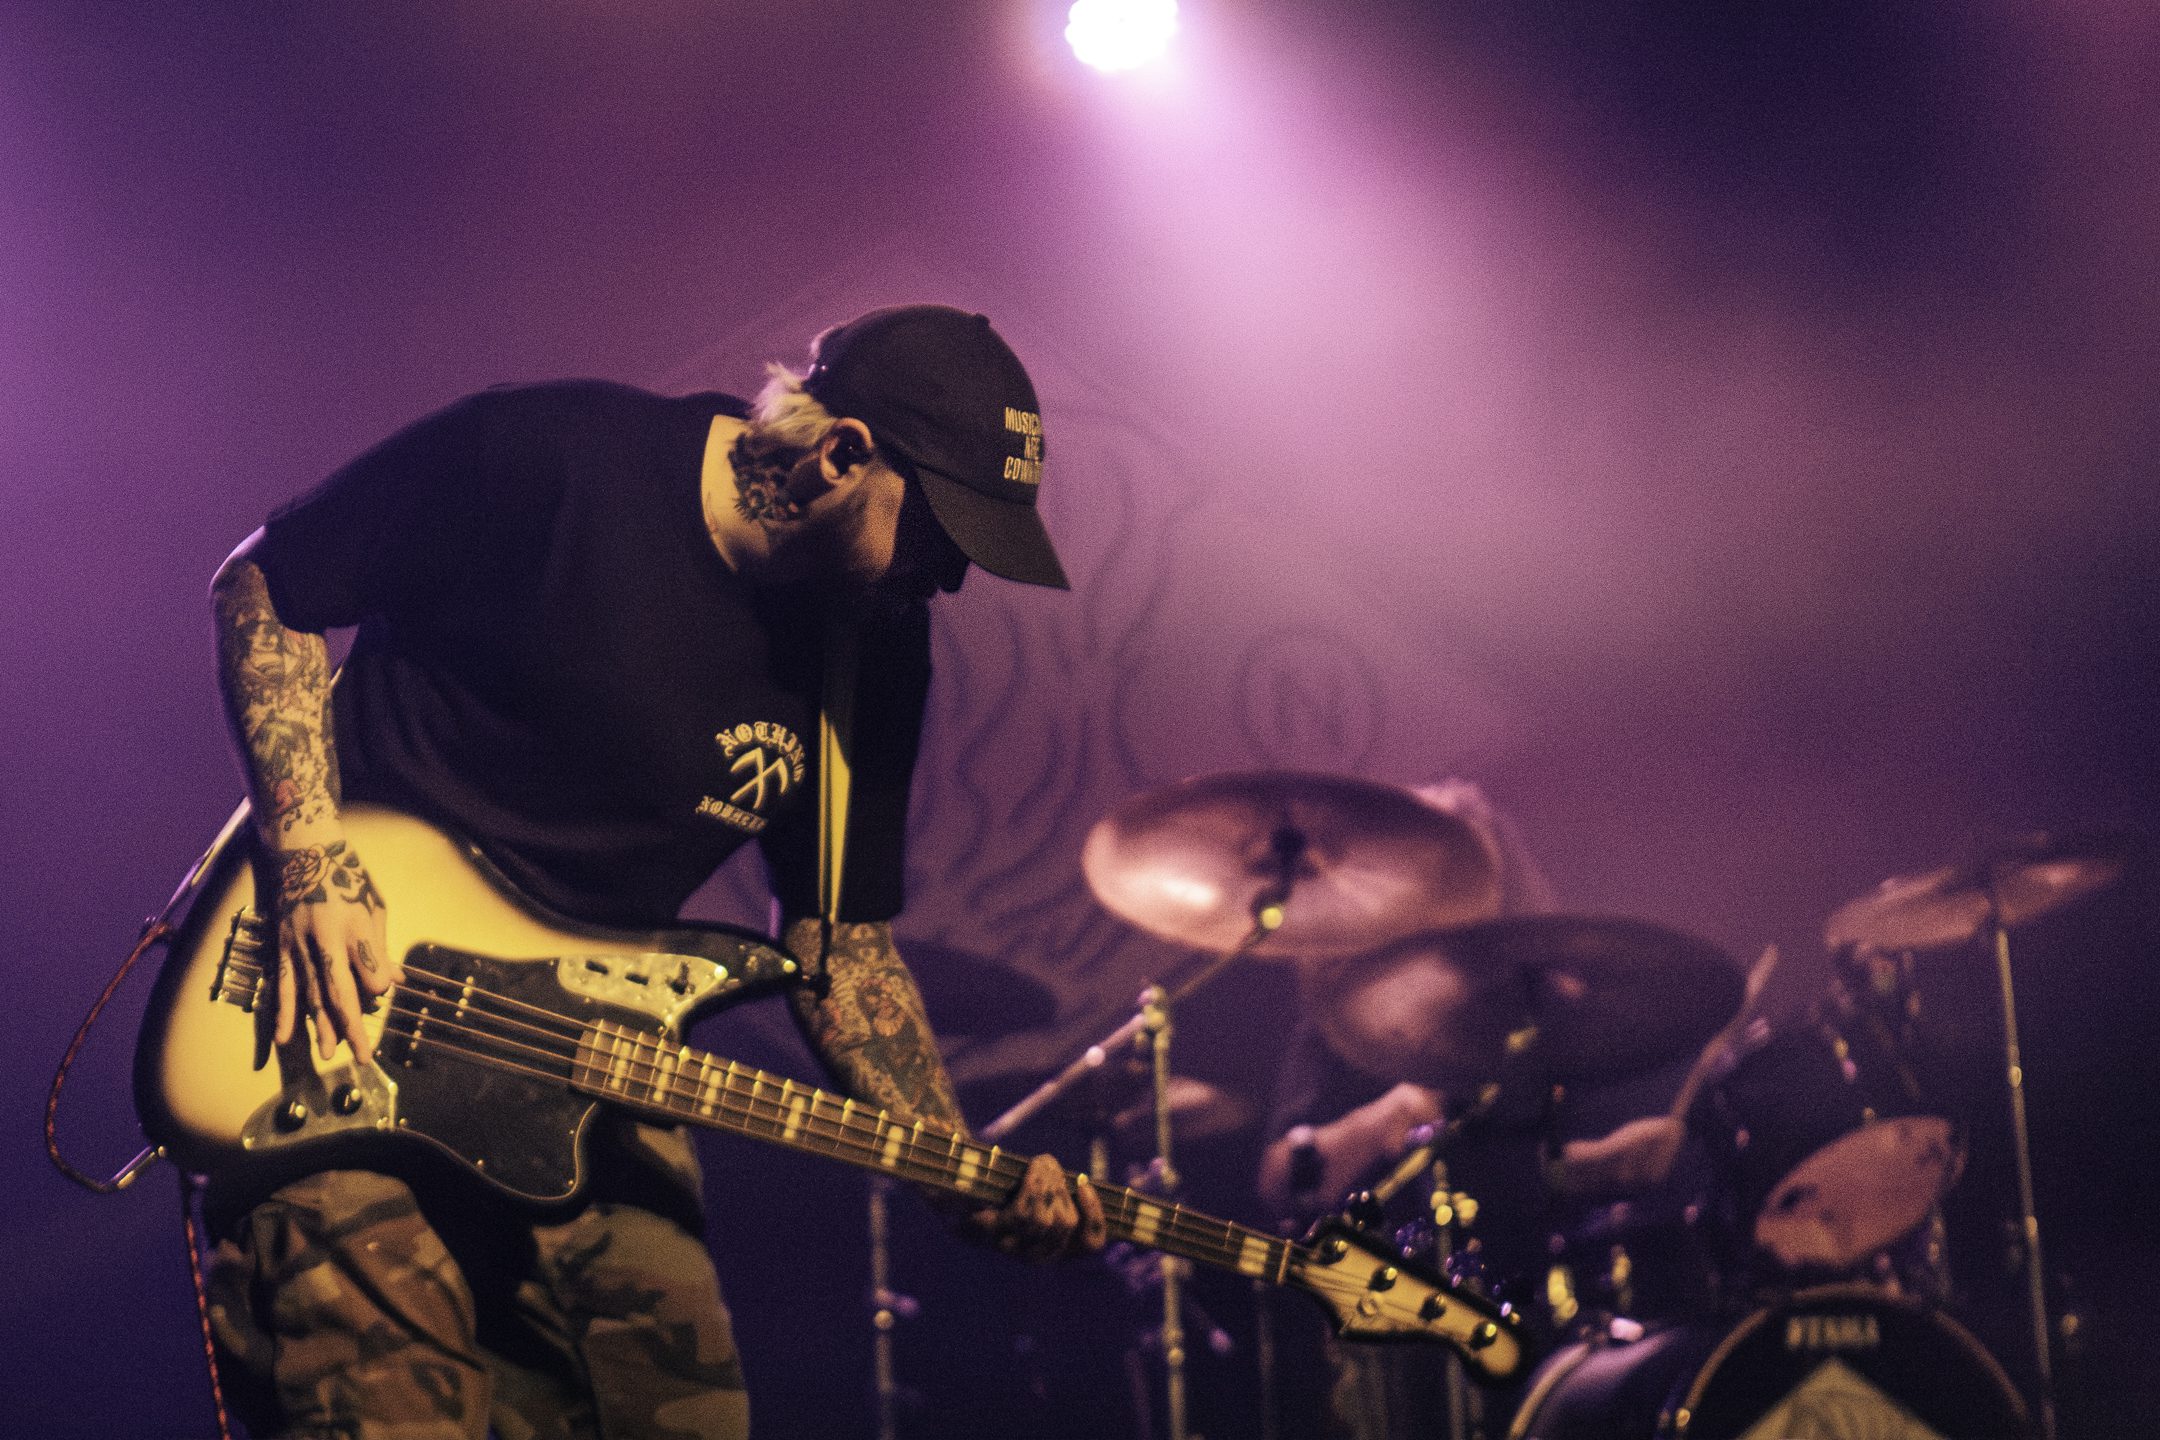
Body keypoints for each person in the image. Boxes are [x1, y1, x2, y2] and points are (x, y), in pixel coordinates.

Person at [201, 304, 1106, 1439]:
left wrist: (955, 1172)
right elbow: (269, 588)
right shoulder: (551, 456)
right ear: (842, 456)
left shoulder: (873, 647)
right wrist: (309, 860)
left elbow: (839, 947)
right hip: (346, 1021)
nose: (949, 582)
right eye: (937, 534)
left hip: (590, 1069)